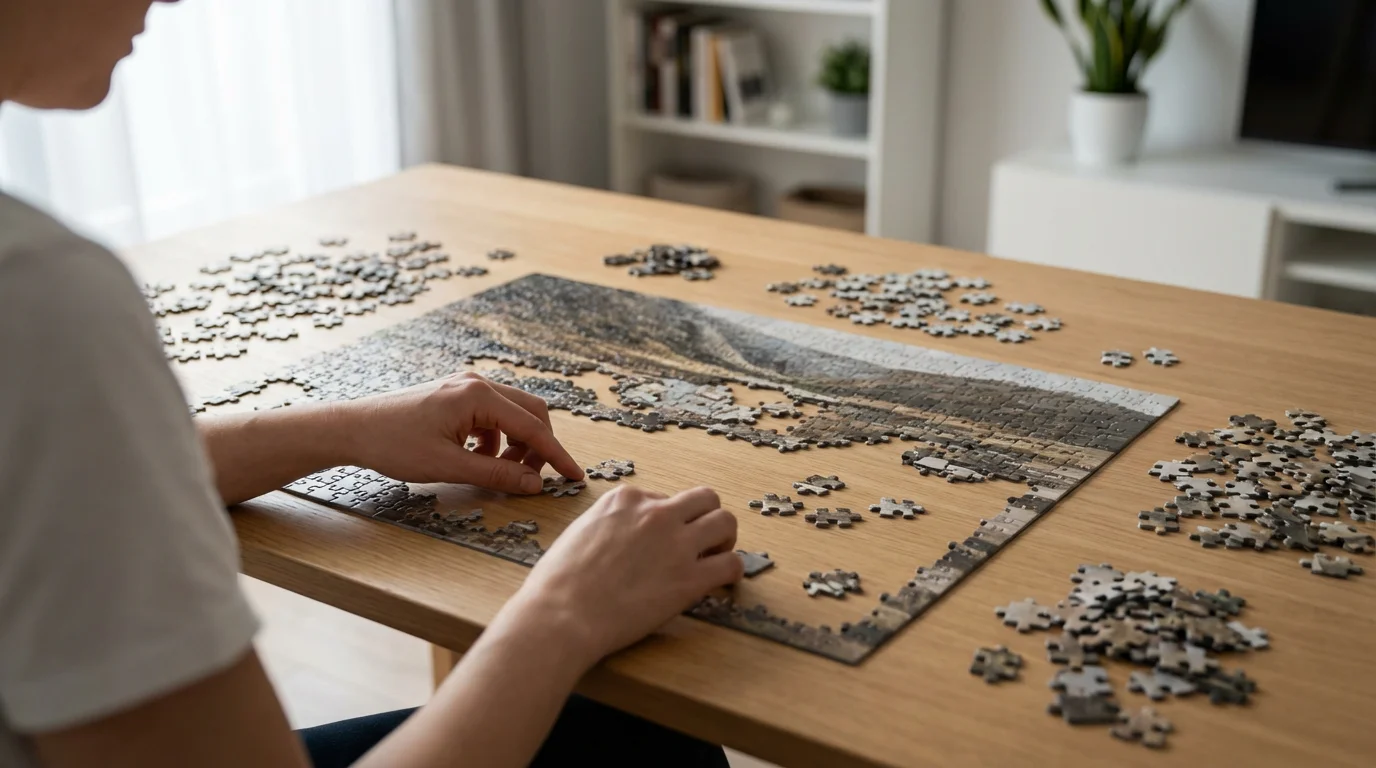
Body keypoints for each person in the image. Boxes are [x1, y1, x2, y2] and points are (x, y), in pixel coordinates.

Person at [0, 1, 744, 766]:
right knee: (652, 737)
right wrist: (565, 612)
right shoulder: (37, 296)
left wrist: (350, 428)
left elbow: (81, 483)